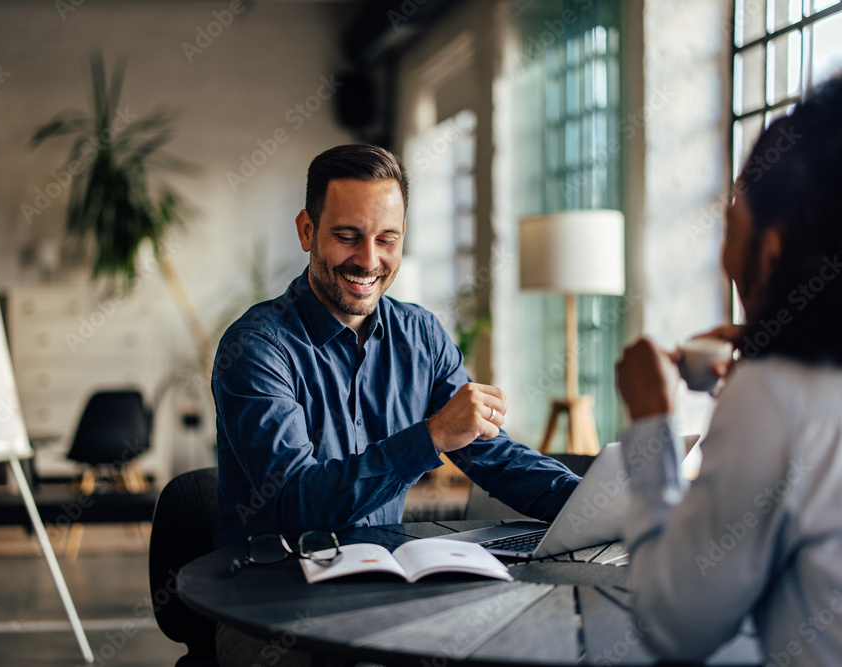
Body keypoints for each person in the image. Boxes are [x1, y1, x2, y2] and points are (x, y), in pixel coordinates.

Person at [212, 144, 579, 552]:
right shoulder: (255, 349)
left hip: (379, 583)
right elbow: (297, 505)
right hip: (267, 592)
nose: (369, 260)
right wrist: (432, 435)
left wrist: (598, 504)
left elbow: (494, 457)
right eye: (347, 236)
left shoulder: (421, 335)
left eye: (387, 239)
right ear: (306, 230)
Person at [615, 74, 842, 665]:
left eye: (730, 227)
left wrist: (651, 421)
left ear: (770, 250)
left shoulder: (775, 397)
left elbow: (674, 624)